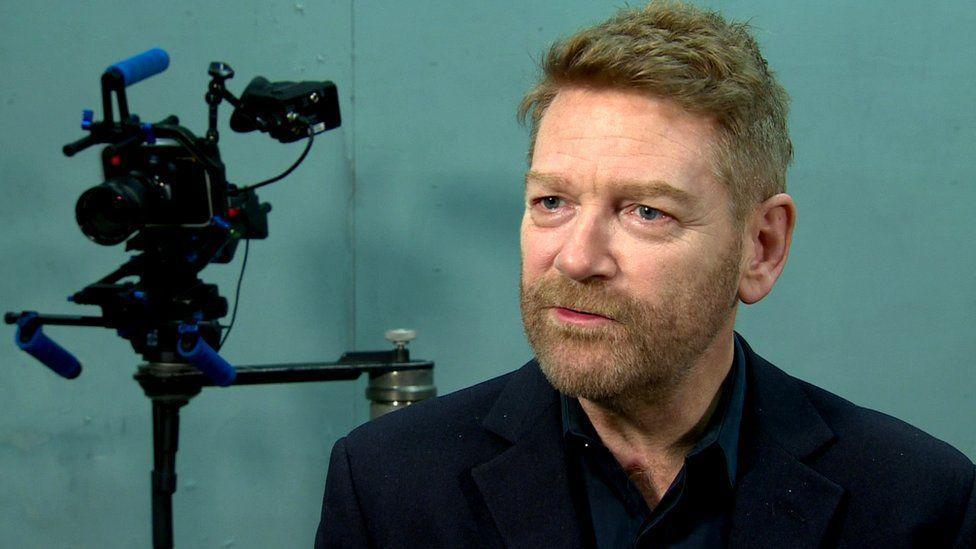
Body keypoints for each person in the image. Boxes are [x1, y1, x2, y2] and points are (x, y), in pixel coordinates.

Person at [315, 1, 976, 547]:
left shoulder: (919, 504)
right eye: (552, 202)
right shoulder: (387, 488)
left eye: (646, 211)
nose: (576, 258)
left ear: (762, 247)